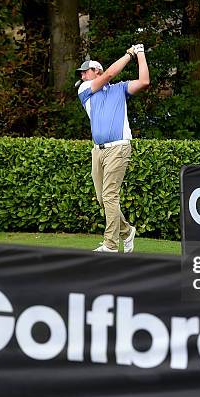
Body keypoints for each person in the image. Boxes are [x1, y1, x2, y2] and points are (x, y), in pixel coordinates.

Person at [76, 44, 150, 253]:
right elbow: (109, 74)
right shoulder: (84, 90)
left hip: (118, 147)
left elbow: (144, 81)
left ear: (96, 71)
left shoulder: (120, 89)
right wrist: (129, 54)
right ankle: (127, 231)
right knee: (102, 198)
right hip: (97, 151)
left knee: (109, 196)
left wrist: (141, 54)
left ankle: (110, 244)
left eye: (85, 71)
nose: (82, 75)